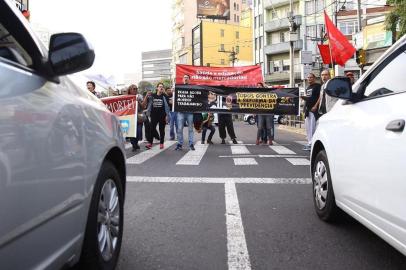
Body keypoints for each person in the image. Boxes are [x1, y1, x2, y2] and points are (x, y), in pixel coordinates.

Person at [146, 82, 170, 149]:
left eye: (162, 86)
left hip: (162, 115)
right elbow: (149, 104)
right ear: (157, 88)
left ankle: (161, 143)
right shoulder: (153, 96)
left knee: (161, 130)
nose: (161, 87)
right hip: (154, 115)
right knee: (152, 129)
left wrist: (167, 115)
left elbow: (167, 106)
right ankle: (150, 143)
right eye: (159, 86)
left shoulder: (165, 96)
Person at [301, 73, 321, 151]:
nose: (309, 79)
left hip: (313, 110)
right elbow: (308, 98)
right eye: (308, 77)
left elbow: (320, 96)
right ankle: (309, 142)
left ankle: (312, 143)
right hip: (307, 110)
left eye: (311, 77)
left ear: (314, 78)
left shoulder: (317, 86)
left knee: (312, 127)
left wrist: (315, 106)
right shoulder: (308, 87)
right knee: (308, 128)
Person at [175, 74, 195, 151]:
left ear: (189, 79)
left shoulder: (193, 88)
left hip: (190, 112)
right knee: (179, 129)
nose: (186, 79)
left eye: (187, 78)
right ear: (183, 79)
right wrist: (174, 92)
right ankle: (180, 144)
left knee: (190, 129)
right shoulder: (178, 87)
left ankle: (191, 144)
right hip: (181, 112)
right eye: (185, 78)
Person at [127, 84, 144, 151]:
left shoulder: (139, 96)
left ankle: (136, 143)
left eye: (136, 88)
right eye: (134, 89)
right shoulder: (126, 97)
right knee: (131, 132)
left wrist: (138, 101)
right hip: (130, 117)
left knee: (138, 131)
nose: (135, 90)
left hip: (139, 116)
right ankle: (134, 145)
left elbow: (143, 106)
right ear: (130, 90)